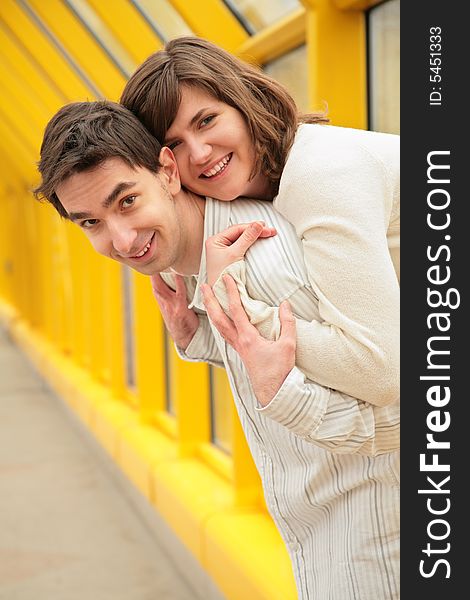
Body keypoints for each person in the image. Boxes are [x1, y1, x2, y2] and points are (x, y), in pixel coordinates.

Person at [34, 100, 399, 599]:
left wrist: (281, 391)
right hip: (332, 540)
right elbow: (294, 366)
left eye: (126, 202)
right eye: (90, 223)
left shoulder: (261, 261)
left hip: (381, 548)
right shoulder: (201, 270)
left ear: (166, 171)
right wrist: (201, 335)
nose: (121, 239)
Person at [120, 36, 400, 409]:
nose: (201, 153)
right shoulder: (257, 198)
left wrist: (237, 310)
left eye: (207, 121)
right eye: (177, 144)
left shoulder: (321, 173)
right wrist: (199, 334)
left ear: (243, 101)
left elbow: (380, 373)